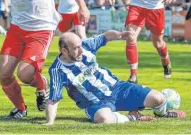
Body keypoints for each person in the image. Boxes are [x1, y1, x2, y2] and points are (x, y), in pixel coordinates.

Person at [44, 31, 186, 125]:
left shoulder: (86, 46)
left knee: (159, 98)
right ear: (64, 51)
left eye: (80, 46)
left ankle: (162, 113)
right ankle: (133, 117)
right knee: (103, 118)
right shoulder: (57, 70)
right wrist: (50, 122)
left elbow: (105, 37)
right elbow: (53, 98)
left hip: (118, 88)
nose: (81, 50)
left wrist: (119, 35)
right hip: (97, 103)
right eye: (76, 48)